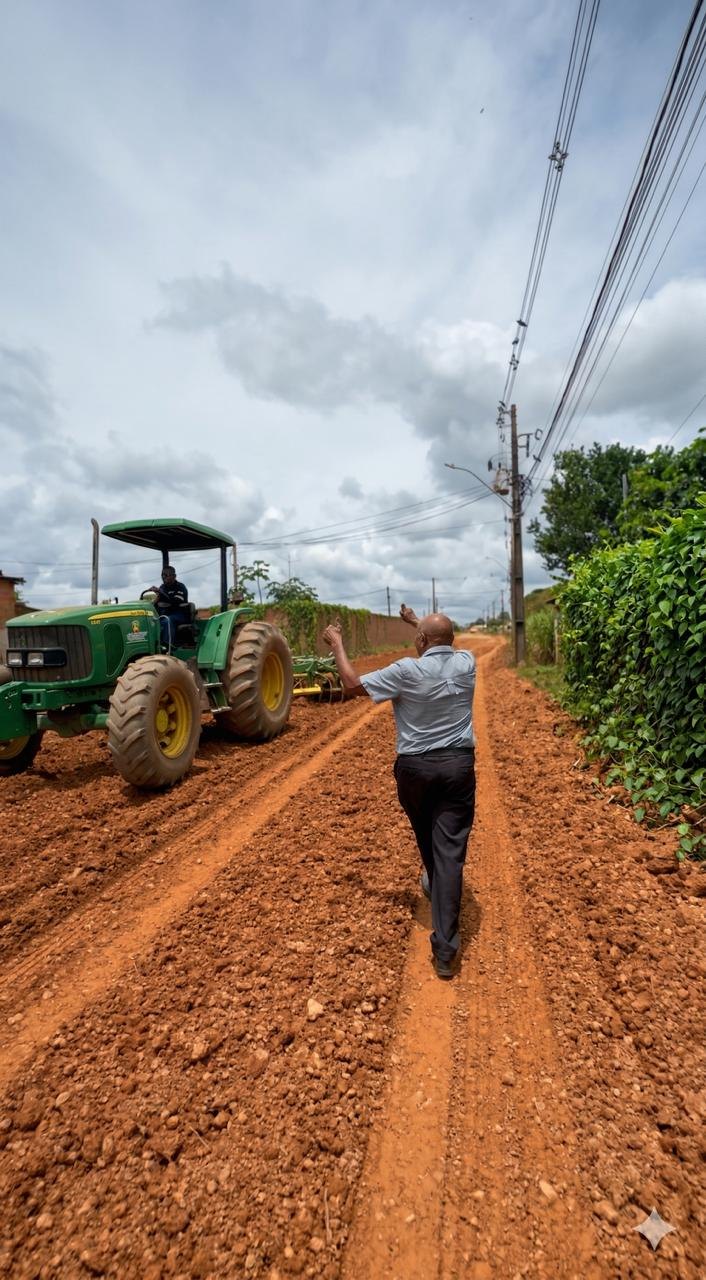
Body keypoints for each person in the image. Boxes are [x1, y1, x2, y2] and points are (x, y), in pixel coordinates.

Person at [322, 605, 476, 980]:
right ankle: (445, 949)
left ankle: (435, 883)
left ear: (421, 641)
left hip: (415, 771)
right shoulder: (467, 662)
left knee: (428, 837)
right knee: (450, 850)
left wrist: (338, 643)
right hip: (458, 768)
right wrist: (417, 624)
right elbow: (441, 640)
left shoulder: (406, 671)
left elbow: (352, 684)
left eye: (417, 635)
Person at [142, 566, 190, 648]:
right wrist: (152, 597)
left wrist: (161, 593)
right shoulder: (162, 587)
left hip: (179, 614)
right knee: (148, 621)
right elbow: (157, 601)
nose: (164, 577)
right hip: (164, 614)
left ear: (174, 576)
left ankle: (167, 646)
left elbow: (175, 602)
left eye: (166, 575)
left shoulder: (180, 587)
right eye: (162, 575)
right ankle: (150, 646)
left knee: (167, 621)